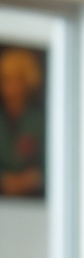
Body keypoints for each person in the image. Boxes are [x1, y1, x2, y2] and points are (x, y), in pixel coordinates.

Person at [0, 46, 45, 197]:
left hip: (34, 203)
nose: (9, 87)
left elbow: (52, 168)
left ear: (27, 82)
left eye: (15, 80)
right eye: (5, 79)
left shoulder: (40, 121)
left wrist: (26, 181)